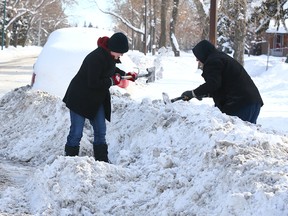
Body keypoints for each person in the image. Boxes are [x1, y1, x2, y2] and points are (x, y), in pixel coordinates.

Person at [62, 32, 138, 162]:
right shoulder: (95, 58)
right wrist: (112, 81)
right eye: (120, 52)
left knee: (100, 131)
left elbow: (111, 70)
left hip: (96, 99)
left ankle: (102, 162)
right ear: (113, 48)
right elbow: (94, 82)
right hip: (79, 98)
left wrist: (127, 75)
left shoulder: (109, 56)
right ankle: (69, 162)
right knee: (76, 132)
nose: (121, 56)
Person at [181, 39, 263, 124]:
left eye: (197, 56)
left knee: (233, 133)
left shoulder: (213, 61)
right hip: (252, 102)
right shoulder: (221, 58)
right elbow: (225, 84)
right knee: (245, 134)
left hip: (239, 104)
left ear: (203, 53)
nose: (197, 60)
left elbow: (213, 84)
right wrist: (205, 93)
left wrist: (193, 93)